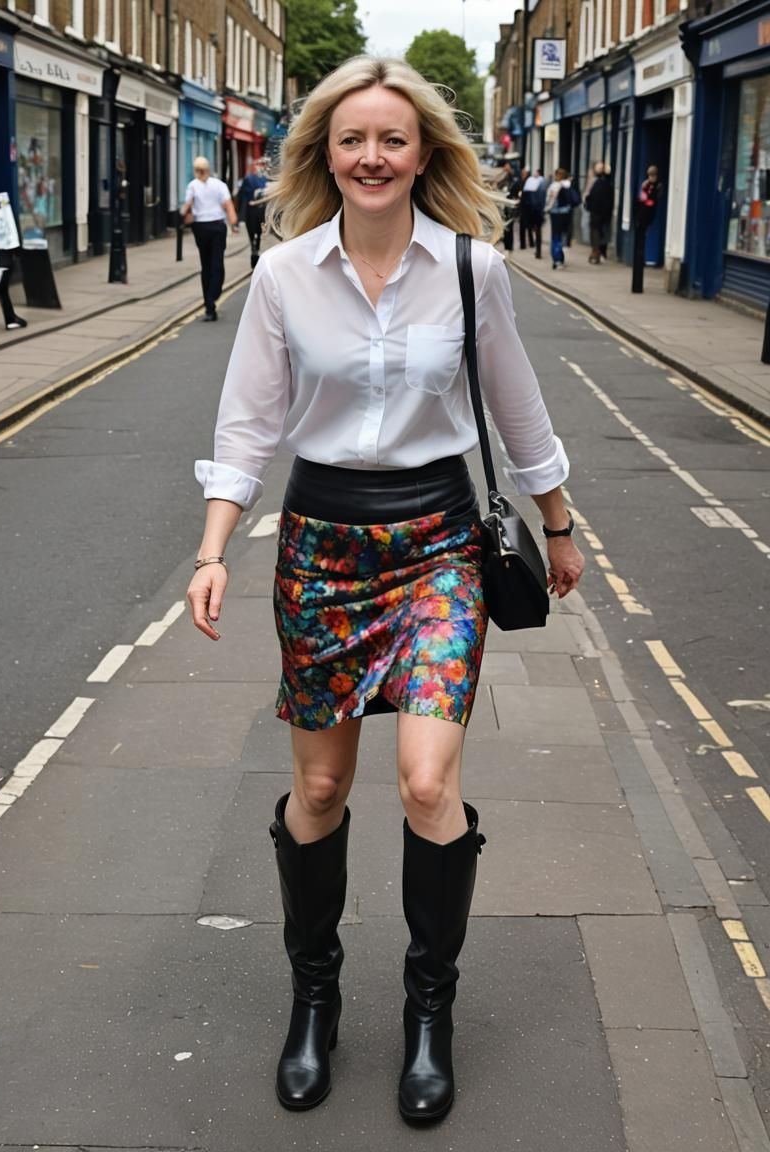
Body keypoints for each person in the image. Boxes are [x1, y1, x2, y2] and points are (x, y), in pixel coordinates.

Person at [187, 56, 584, 1124]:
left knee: (422, 783)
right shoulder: (281, 276)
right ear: (325, 151)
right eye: (352, 139)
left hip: (438, 549)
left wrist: (556, 523)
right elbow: (248, 424)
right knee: (316, 793)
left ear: (422, 157)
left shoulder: (470, 270)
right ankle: (312, 1003)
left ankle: (425, 1013)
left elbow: (517, 407)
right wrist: (214, 547)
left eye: (392, 140)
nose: (371, 156)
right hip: (321, 549)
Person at [183, 157, 239, 321]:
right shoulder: (219, 185)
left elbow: (187, 206)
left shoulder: (192, 185)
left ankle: (209, 306)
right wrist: (233, 223)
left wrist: (184, 213)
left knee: (205, 265)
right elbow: (228, 206)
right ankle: (213, 295)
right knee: (217, 264)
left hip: (200, 227)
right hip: (216, 227)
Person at [237, 158, 269, 269]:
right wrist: (240, 218)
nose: (260, 167)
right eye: (259, 165)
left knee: (259, 234)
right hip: (251, 212)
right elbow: (243, 198)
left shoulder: (264, 179)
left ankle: (257, 254)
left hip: (261, 211)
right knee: (253, 235)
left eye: (262, 165)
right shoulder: (249, 179)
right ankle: (254, 257)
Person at [585, 162, 614, 264]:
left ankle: (596, 252)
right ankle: (602, 253)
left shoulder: (596, 184)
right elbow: (611, 201)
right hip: (605, 214)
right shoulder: (609, 185)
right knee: (604, 232)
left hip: (596, 213)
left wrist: (589, 206)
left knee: (595, 232)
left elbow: (589, 198)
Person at [545, 167, 573, 269]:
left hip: (556, 214)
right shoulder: (568, 185)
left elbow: (549, 200)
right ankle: (560, 258)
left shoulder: (554, 186)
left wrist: (547, 208)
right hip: (566, 214)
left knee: (555, 237)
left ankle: (557, 260)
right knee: (562, 236)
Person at [520, 168, 546, 258]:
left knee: (536, 230)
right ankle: (537, 249)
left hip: (534, 211)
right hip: (536, 211)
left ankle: (537, 250)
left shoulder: (536, 182)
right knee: (536, 231)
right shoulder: (539, 182)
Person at [499, 161, 523, 251]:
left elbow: (517, 189)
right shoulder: (506, 177)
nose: (505, 167)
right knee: (506, 224)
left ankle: (509, 245)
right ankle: (506, 244)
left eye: (507, 165)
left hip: (511, 203)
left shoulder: (515, 178)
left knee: (509, 224)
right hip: (505, 203)